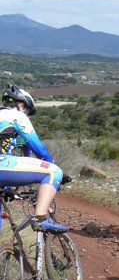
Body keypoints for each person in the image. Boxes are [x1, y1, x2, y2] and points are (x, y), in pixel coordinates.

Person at [0, 84, 68, 232]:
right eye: (27, 110)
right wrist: (54, 167)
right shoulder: (17, 115)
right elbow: (39, 149)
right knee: (53, 172)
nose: (26, 114)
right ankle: (40, 219)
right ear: (21, 105)